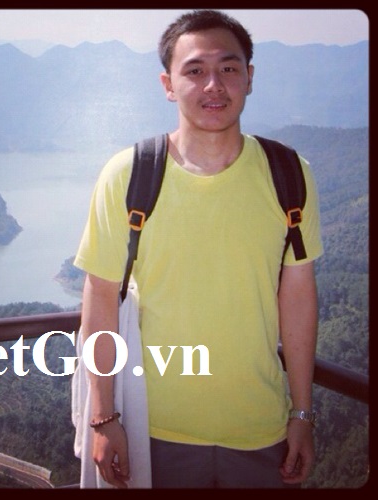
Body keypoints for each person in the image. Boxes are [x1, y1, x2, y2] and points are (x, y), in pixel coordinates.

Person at [73, 9, 323, 489]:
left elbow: (297, 297)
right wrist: (103, 417)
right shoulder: (128, 175)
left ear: (249, 77)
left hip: (262, 428)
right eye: (194, 71)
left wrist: (302, 412)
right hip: (152, 430)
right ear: (168, 84)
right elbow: (100, 297)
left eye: (228, 68)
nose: (214, 85)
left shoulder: (289, 174)